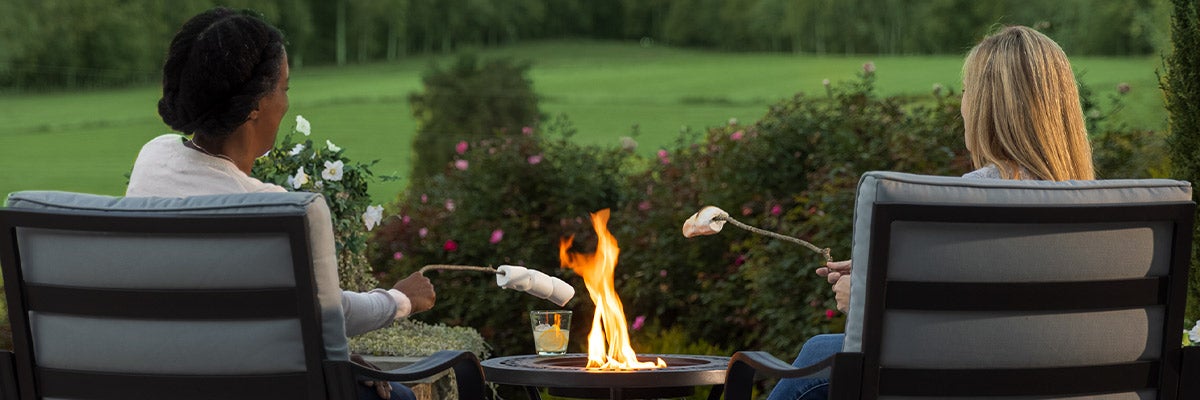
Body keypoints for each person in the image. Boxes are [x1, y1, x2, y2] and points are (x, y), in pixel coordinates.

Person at [768, 25, 1096, 400]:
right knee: (824, 348)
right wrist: (875, 275)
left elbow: (949, 333)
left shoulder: (969, 200)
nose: (962, 104)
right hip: (1065, 384)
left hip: (970, 386)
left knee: (819, 354)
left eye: (967, 91)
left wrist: (862, 300)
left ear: (985, 107)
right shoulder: (1102, 212)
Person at [125, 8, 430, 400]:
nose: (286, 102)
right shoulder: (275, 209)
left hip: (156, 379)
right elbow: (331, 313)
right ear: (254, 106)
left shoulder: (153, 157)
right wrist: (400, 300)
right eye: (284, 88)